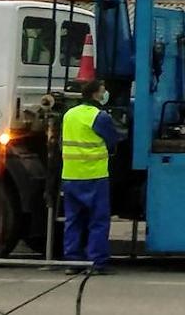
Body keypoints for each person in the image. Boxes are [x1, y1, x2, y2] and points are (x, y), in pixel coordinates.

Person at [61, 79, 123, 274]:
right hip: (94, 176)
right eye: (103, 91)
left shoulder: (69, 115)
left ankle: (72, 262)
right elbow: (113, 139)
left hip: (70, 175)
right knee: (98, 221)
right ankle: (96, 263)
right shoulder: (99, 117)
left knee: (73, 220)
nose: (105, 94)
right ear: (96, 94)